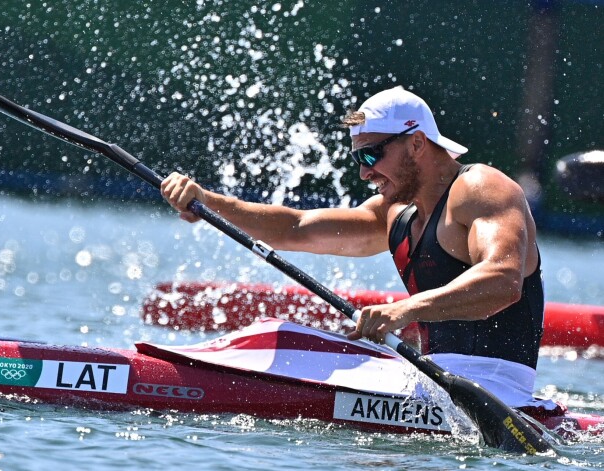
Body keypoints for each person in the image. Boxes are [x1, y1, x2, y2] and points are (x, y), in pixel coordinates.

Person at [161, 86, 559, 412]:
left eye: (372, 155)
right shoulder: (396, 212)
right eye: (358, 159)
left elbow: (503, 280)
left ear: (417, 143)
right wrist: (208, 202)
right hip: (430, 383)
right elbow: (295, 228)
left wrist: (403, 309)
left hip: (499, 393)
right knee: (286, 340)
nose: (365, 172)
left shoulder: (480, 189)